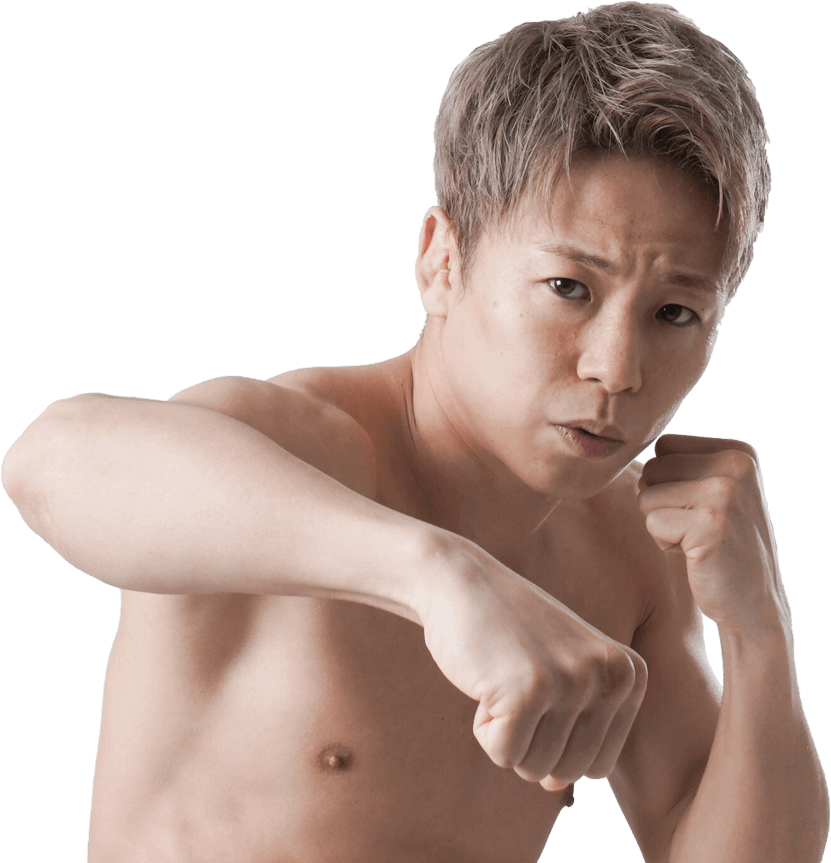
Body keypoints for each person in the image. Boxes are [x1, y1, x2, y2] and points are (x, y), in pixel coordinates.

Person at [3, 4, 828, 861]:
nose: (617, 368)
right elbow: (49, 460)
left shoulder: (628, 553)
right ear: (442, 260)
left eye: (674, 312)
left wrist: (760, 631)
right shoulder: (291, 447)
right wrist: (436, 576)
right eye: (568, 288)